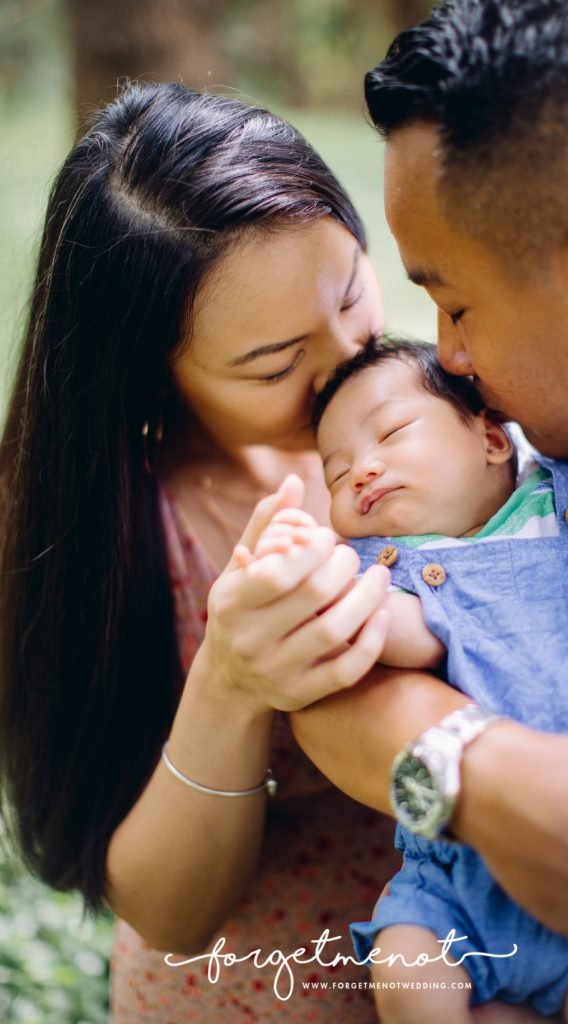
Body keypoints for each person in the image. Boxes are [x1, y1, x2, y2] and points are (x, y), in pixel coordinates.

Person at [288, 0, 568, 1002]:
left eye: (454, 305)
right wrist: (481, 777)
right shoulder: (567, 445)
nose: (448, 360)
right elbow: (334, 705)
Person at [0, 81, 400, 1023]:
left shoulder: (434, 414)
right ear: (147, 377)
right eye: (273, 363)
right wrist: (228, 683)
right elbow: (163, 908)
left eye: (350, 290)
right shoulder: (115, 533)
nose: (348, 356)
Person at [252, 338, 568, 1023]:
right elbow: (406, 636)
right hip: (454, 883)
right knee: (407, 968)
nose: (362, 471)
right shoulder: (386, 568)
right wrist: (312, 583)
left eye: (391, 433)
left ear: (490, 439)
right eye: (335, 474)